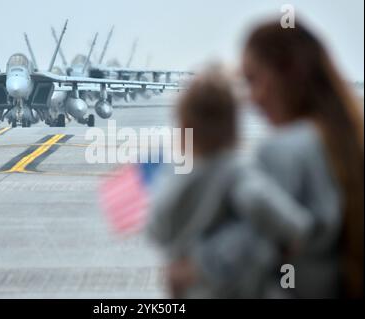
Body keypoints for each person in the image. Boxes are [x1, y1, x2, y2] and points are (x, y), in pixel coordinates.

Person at [168, 20, 364, 298]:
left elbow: (252, 250)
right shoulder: (350, 141)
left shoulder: (282, 151)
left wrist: (191, 271)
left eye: (253, 80)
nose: (251, 99)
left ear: (288, 74)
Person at [147, 67, 315, 298]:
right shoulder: (236, 171)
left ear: (183, 127)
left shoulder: (173, 178)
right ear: (235, 126)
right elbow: (274, 213)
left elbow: (156, 229)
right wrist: (292, 232)